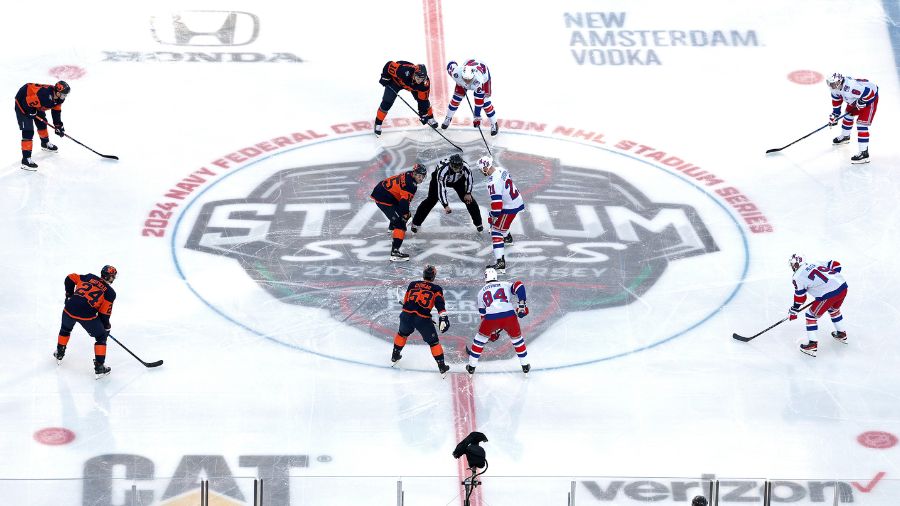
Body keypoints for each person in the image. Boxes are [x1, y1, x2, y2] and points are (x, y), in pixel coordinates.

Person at [54, 265, 117, 378]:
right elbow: (104, 315)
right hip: (86, 315)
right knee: (101, 337)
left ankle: (59, 353)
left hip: (69, 309)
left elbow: (70, 278)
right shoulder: (110, 293)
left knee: (65, 329)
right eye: (113, 277)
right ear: (111, 277)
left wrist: (69, 295)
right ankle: (99, 367)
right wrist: (106, 328)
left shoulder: (89, 277)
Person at [466, 267, 530, 375]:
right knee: (517, 341)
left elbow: (483, 315)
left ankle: (471, 367)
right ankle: (525, 365)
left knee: (479, 340)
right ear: (496, 276)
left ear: (485, 278)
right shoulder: (505, 284)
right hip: (509, 316)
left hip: (491, 318)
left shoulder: (481, 292)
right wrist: (522, 305)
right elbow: (519, 285)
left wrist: (492, 332)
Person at [391, 265, 451, 376]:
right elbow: (439, 304)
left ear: (423, 274)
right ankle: (442, 367)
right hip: (422, 319)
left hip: (406, 316)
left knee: (402, 334)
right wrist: (443, 317)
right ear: (433, 277)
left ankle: (395, 356)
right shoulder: (436, 288)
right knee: (434, 343)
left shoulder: (412, 284)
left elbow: (406, 301)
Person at [788, 254, 848, 357]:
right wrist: (831, 280)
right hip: (842, 286)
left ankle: (812, 345)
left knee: (810, 315)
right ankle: (841, 334)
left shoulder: (797, 276)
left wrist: (794, 309)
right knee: (833, 310)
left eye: (793, 264)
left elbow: (800, 297)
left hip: (829, 294)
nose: (792, 267)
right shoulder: (814, 263)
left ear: (797, 263)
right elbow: (836, 265)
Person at [410, 153, 483, 234]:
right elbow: (441, 190)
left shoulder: (466, 167)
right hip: (439, 180)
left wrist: (468, 192)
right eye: (455, 167)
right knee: (431, 201)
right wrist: (445, 205)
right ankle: (416, 223)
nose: (458, 169)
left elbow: (469, 180)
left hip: (458, 181)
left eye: (459, 167)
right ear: (451, 165)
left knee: (469, 200)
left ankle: (478, 223)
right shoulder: (443, 170)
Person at [370, 163, 427, 261]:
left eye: (423, 176)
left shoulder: (409, 174)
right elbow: (404, 203)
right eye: (419, 176)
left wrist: (405, 213)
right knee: (401, 224)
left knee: (401, 214)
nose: (421, 179)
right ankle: (395, 252)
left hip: (384, 192)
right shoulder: (411, 185)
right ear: (414, 174)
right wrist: (406, 216)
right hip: (384, 198)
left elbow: (402, 198)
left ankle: (392, 228)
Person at [477, 156, 524, 273]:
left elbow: (497, 209)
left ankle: (500, 263)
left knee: (496, 230)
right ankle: (507, 237)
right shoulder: (501, 169)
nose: (480, 172)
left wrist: (491, 217)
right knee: (500, 224)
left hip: (509, 207)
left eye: (480, 169)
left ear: (485, 169)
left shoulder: (492, 183)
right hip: (515, 199)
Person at [14, 80, 69, 171]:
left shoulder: (58, 98)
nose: (64, 96)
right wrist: (31, 112)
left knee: (42, 123)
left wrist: (58, 125)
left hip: (35, 101)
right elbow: (26, 102)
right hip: (23, 101)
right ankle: (26, 160)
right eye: (63, 94)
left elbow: (56, 112)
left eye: (65, 95)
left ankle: (45, 143)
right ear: (57, 92)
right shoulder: (44, 96)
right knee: (28, 131)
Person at [826, 72, 878, 164]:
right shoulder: (835, 89)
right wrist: (835, 115)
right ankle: (845, 136)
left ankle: (864, 154)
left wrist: (862, 102)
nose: (831, 86)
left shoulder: (851, 87)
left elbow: (870, 93)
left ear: (839, 82)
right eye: (829, 83)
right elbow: (836, 101)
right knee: (848, 115)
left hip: (869, 99)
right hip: (855, 98)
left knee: (861, 124)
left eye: (833, 83)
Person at [375, 60, 438, 136]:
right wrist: (385, 77)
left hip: (412, 87)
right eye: (418, 78)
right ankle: (378, 124)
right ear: (414, 74)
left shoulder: (425, 84)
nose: (419, 81)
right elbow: (389, 65)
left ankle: (431, 118)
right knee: (387, 102)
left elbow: (423, 101)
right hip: (396, 82)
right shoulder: (404, 71)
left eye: (422, 79)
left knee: (424, 101)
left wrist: (423, 114)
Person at [442, 59, 498, 136]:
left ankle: (494, 123)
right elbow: (451, 63)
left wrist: (477, 117)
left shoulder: (478, 81)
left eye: (469, 80)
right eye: (465, 79)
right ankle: (448, 118)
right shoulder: (456, 73)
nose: (467, 82)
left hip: (484, 77)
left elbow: (478, 102)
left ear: (473, 76)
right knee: (456, 99)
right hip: (464, 73)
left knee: (485, 103)